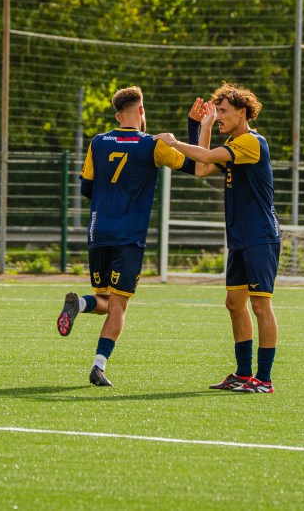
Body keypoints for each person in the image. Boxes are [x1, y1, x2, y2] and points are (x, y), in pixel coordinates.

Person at [57, 86, 195, 387]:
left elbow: (86, 187)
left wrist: (110, 195)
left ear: (118, 116)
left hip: (99, 232)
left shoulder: (98, 142)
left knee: (106, 300)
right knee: (119, 305)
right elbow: (197, 165)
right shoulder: (153, 145)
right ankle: (98, 366)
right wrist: (194, 127)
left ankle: (80, 304)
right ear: (141, 111)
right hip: (129, 236)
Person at [156, 82, 280, 394]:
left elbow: (207, 154)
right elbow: (201, 169)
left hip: (260, 236)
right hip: (240, 237)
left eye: (223, 111)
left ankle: (264, 380)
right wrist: (199, 125)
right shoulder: (233, 146)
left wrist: (175, 141)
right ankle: (243, 374)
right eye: (218, 111)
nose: (220, 115)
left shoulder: (252, 142)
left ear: (242, 112)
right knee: (234, 303)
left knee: (260, 306)